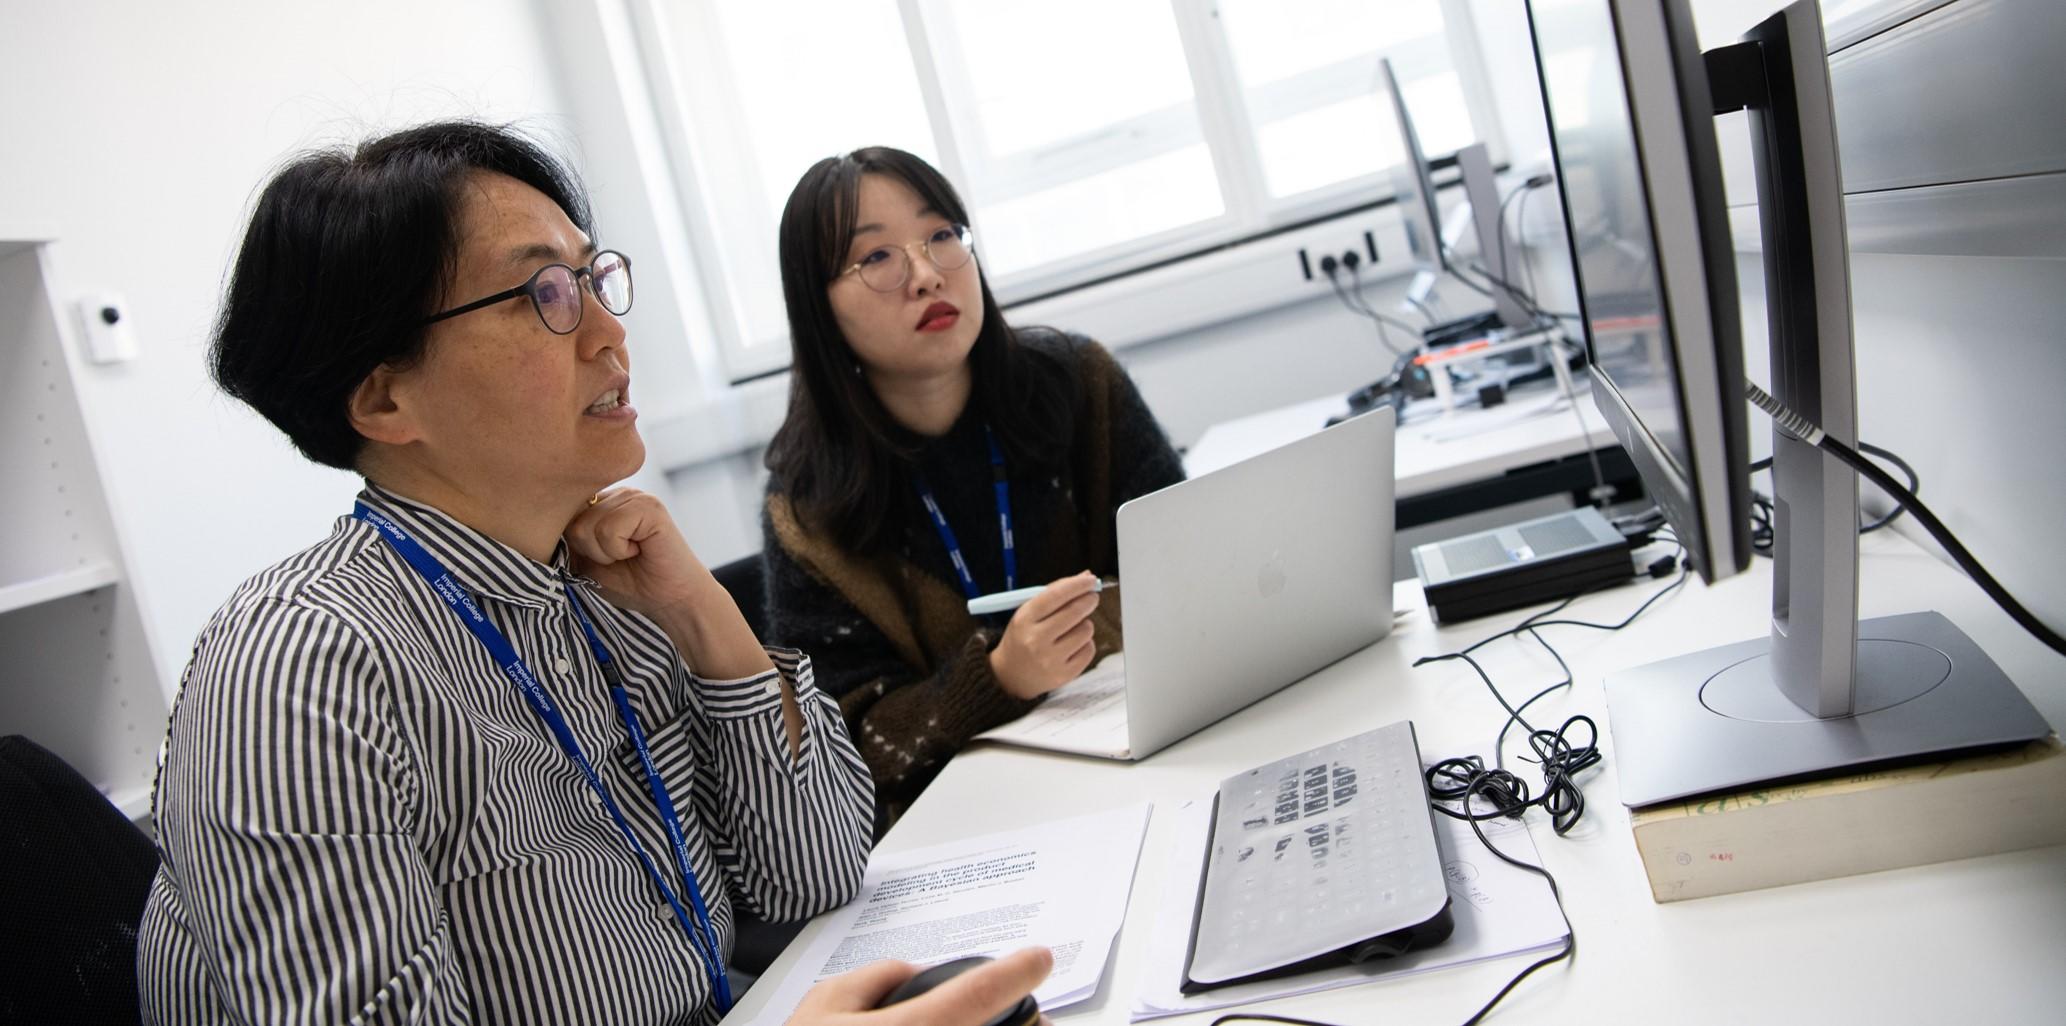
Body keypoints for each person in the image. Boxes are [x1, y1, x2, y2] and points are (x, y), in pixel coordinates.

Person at [135, 120, 1048, 1026]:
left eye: (591, 279)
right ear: (383, 397)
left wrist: (706, 619)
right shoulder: (299, 669)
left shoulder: (607, 592)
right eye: (542, 294)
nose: (611, 333)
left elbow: (812, 876)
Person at [760, 147, 1186, 832]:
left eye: (941, 236)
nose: (928, 275)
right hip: (975, 826)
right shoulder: (809, 505)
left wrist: (1068, 643)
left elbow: (1188, 572)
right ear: (818, 307)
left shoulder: (1078, 383)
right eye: (876, 259)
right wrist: (1000, 678)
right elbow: (845, 750)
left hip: (1153, 758)